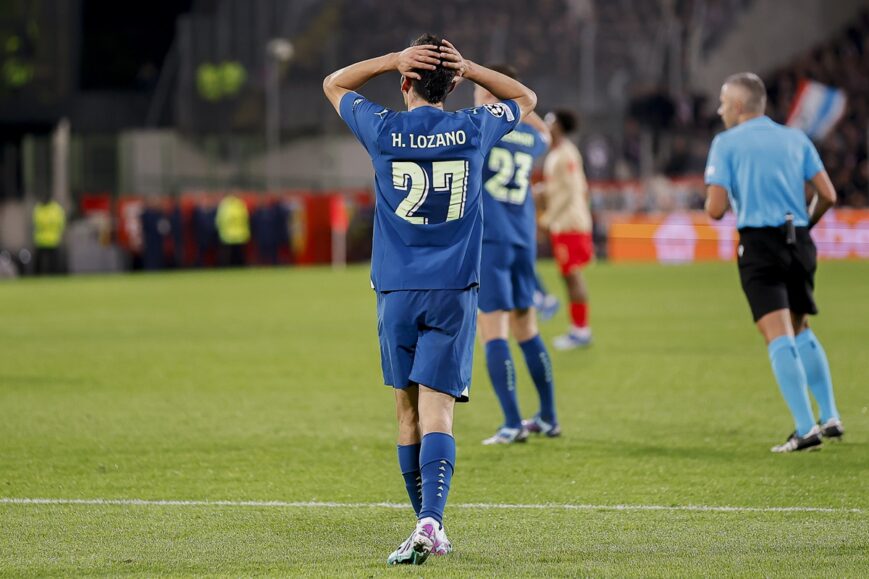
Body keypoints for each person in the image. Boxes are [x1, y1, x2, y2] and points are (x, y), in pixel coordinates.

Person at [323, 34, 536, 565]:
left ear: (405, 82)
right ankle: (431, 523)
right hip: (454, 291)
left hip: (395, 289)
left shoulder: (384, 128)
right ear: (454, 83)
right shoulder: (473, 127)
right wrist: (475, 68)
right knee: (439, 410)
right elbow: (526, 99)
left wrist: (390, 59)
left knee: (406, 412)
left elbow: (333, 83)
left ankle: (424, 524)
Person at [704, 72, 843, 453]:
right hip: (798, 240)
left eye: (721, 102)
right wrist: (803, 226)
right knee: (800, 326)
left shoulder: (726, 143)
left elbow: (716, 210)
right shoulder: (795, 138)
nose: (719, 110)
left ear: (736, 106)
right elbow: (828, 194)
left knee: (777, 333)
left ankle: (805, 429)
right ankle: (830, 415)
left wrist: (715, 198)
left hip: (760, 243)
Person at [474, 64, 560, 445]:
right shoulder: (527, 133)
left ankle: (511, 422)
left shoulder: (481, 128)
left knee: (493, 331)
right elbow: (545, 132)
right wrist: (518, 100)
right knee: (527, 329)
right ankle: (549, 417)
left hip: (489, 240)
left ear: (488, 93)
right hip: (523, 239)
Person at [539, 109, 594, 350]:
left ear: (559, 126)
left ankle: (581, 330)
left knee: (572, 274)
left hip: (569, 222)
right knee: (568, 275)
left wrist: (550, 217)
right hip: (564, 222)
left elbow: (573, 190)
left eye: (550, 122)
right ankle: (578, 328)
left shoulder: (566, 154)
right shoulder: (556, 153)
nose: (546, 126)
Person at [32, 196, 66, 275]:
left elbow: (61, 223)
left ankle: (54, 276)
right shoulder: (39, 208)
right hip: (42, 240)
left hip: (52, 240)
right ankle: (37, 277)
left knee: (53, 263)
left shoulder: (55, 208)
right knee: (39, 263)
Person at [215, 193, 250, 267]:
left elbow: (218, 220)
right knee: (235, 254)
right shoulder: (239, 205)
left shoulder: (224, 205)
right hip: (236, 234)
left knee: (233, 254)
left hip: (228, 234)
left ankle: (231, 266)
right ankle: (236, 266)